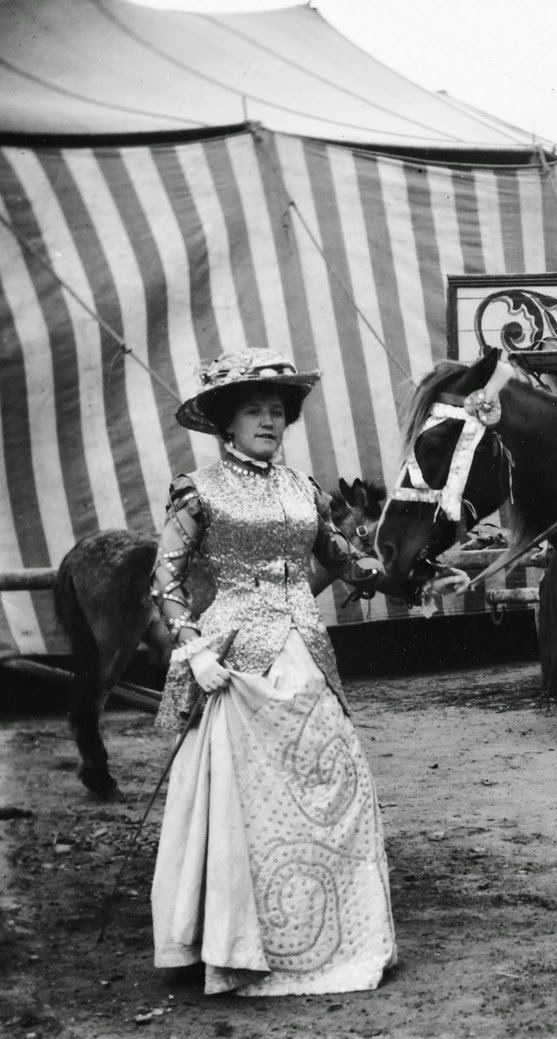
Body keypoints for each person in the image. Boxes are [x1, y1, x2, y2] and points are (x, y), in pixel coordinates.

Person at [149, 348, 396, 997]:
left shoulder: (301, 487)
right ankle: (234, 942)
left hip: (306, 655)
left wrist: (403, 571)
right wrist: (195, 650)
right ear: (226, 422)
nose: (269, 420)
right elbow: (165, 578)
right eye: (255, 410)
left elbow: (342, 559)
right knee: (247, 805)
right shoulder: (198, 489)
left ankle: (336, 935)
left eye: (277, 411)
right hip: (236, 667)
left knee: (335, 782)